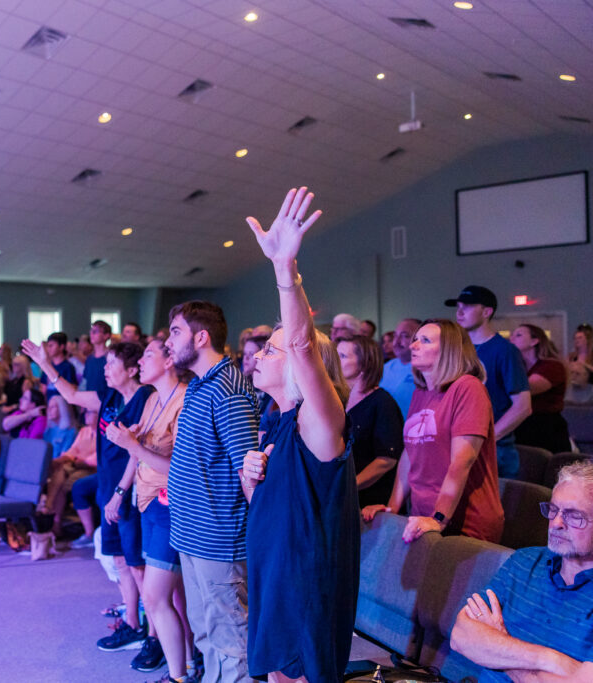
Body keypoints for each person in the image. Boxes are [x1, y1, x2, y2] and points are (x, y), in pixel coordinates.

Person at [241, 187, 359, 683]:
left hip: (305, 579)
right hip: (274, 567)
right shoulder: (275, 422)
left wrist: (284, 273)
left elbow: (302, 345)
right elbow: (267, 505)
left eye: (271, 348)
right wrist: (251, 477)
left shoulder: (321, 421)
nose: (259, 355)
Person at [22, 338, 153, 654]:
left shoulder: (148, 399)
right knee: (119, 559)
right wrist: (44, 362)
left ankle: (154, 634)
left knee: (137, 565)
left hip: (131, 492)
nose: (105, 369)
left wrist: (121, 493)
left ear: (133, 369)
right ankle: (132, 623)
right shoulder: (108, 395)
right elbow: (69, 394)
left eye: (111, 364)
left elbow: (140, 454)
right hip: (109, 489)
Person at [163, 299, 258, 683]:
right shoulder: (201, 385)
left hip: (220, 540)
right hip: (192, 535)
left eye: (175, 332)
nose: (168, 342)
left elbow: (247, 471)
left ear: (201, 337)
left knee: (231, 640)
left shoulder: (229, 389)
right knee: (205, 634)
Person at [363, 319, 505, 544]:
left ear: (449, 350)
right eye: (415, 339)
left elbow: (462, 461)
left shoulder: (467, 388)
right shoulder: (421, 393)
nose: (413, 346)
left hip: (463, 520)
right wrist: (392, 509)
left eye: (425, 340)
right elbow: (410, 455)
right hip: (423, 516)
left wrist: (439, 518)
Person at [449, 461, 593, 682]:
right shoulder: (523, 561)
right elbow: (460, 636)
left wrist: (500, 645)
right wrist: (550, 659)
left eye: (574, 515)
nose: (555, 523)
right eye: (553, 510)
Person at [105, 339, 192, 681]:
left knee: (155, 596)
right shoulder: (154, 397)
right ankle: (186, 665)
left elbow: (179, 467)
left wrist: (132, 445)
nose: (140, 361)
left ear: (170, 361)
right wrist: (132, 441)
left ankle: (179, 674)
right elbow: (141, 451)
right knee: (171, 596)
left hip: (170, 503)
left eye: (148, 355)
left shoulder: (185, 399)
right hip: (148, 502)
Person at [446, 285, 531, 479]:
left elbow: (523, 406)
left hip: (495, 451)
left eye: (467, 306)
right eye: (458, 306)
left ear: (486, 311)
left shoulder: (504, 350)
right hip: (459, 444)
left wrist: (490, 438)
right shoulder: (457, 350)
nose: (459, 312)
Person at [338, 335, 403, 507]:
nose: (335, 362)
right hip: (340, 497)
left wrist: (350, 486)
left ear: (364, 363)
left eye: (342, 356)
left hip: (368, 501)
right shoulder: (338, 399)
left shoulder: (382, 402)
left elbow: (386, 459)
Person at [510, 324, 571, 454]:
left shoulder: (552, 366)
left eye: (518, 335)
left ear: (534, 341)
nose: (512, 338)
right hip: (523, 426)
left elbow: (526, 388)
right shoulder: (520, 367)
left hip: (546, 428)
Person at [42, 409, 98, 537]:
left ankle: (53, 516)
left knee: (62, 482)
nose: (86, 415)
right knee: (58, 469)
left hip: (92, 470)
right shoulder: (84, 431)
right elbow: (72, 451)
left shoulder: (104, 433)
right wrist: (59, 460)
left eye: (90, 412)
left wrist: (75, 461)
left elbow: (95, 461)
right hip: (76, 465)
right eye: (86, 412)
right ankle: (53, 517)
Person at [379, 318, 422, 420]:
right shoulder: (385, 367)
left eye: (405, 336)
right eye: (395, 336)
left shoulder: (425, 369)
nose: (396, 342)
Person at [39, 332, 77, 400]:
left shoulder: (68, 367)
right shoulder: (48, 366)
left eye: (51, 345)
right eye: (48, 346)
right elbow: (43, 389)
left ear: (61, 347)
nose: (48, 348)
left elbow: (73, 390)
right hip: (49, 404)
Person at [567, 324, 593, 404]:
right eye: (575, 338)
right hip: (574, 393)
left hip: (590, 394)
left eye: (580, 338)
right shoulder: (571, 356)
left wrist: (584, 366)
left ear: (587, 340)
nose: (577, 340)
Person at [85, 320, 112, 396]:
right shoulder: (89, 358)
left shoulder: (110, 358)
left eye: (95, 331)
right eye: (91, 331)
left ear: (106, 335)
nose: (91, 334)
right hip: (89, 401)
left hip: (105, 399)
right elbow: (86, 382)